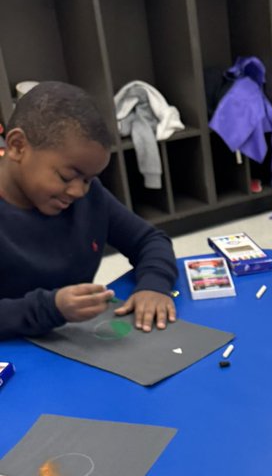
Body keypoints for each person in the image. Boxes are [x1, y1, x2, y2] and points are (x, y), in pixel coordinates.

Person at [0, 81, 177, 340]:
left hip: (77, 347)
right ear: (17, 146)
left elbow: (150, 240)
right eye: (66, 176)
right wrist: (50, 308)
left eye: (88, 180)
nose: (78, 192)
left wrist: (154, 286)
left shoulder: (87, 197)